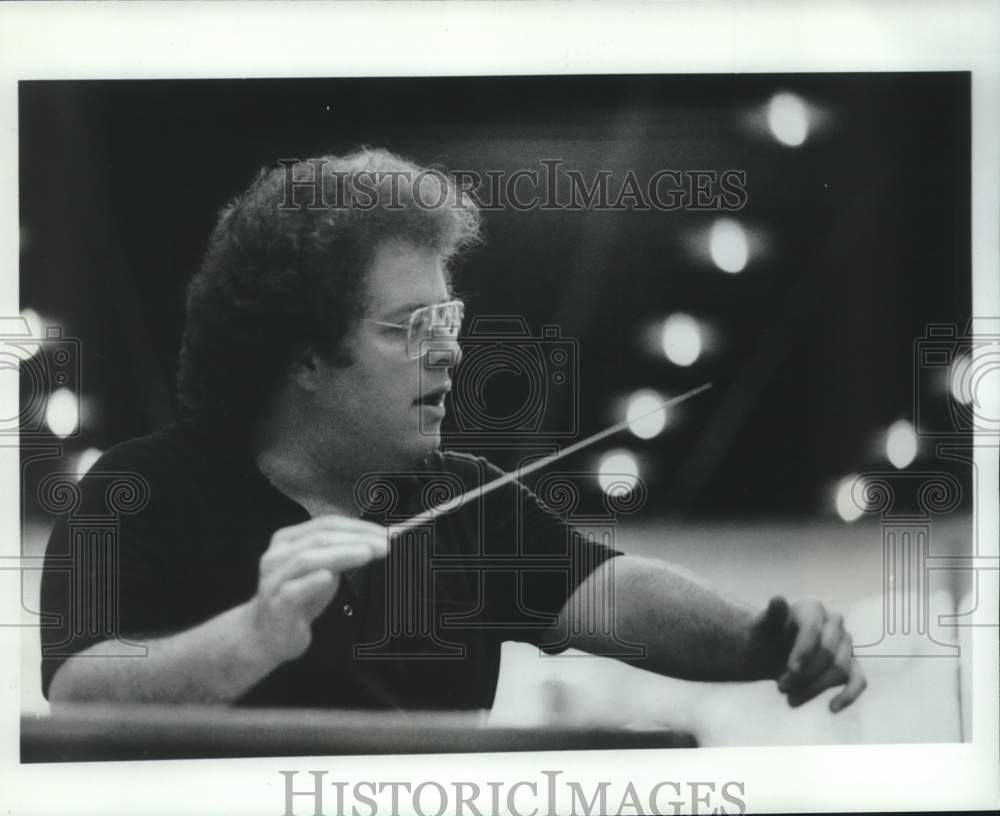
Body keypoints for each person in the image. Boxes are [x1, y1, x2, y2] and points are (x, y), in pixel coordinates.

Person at [39, 148, 866, 715]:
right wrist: (254, 636)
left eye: (451, 318)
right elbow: (78, 692)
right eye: (410, 327)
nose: (452, 351)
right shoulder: (139, 485)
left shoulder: (464, 496)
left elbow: (616, 593)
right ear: (303, 356)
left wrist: (760, 638)